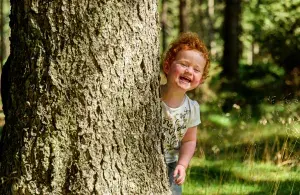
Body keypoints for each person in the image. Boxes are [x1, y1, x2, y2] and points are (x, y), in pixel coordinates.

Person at [161, 32, 210, 194]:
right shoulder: (151, 96)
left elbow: (189, 141)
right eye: (184, 64)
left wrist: (182, 164)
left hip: (171, 165)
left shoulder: (192, 108)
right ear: (167, 66)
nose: (189, 71)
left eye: (197, 69)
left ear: (201, 79)